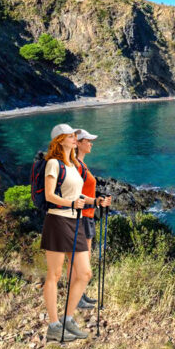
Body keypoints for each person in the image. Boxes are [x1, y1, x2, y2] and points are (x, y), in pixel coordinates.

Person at [40, 123, 106, 342]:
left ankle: (68, 319)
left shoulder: (72, 165)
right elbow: (50, 196)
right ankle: (53, 325)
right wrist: (70, 203)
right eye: (70, 136)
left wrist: (96, 201)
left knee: (85, 272)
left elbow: (80, 196)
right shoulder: (53, 164)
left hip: (74, 221)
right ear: (61, 140)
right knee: (55, 274)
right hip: (57, 221)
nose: (74, 139)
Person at [74, 128, 112, 307]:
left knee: (84, 258)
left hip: (87, 216)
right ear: (79, 143)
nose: (91, 143)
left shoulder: (82, 165)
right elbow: (75, 195)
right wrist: (97, 201)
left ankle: (81, 294)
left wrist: (99, 201)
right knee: (81, 259)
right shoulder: (76, 166)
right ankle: (77, 297)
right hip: (80, 217)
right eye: (88, 140)